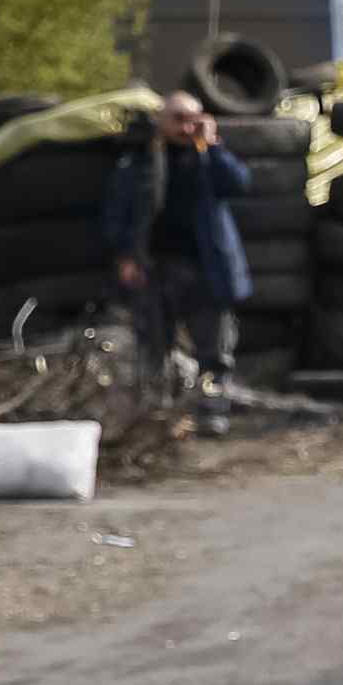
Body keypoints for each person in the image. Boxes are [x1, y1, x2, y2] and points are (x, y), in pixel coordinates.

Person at [100, 89, 252, 434]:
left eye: (192, 118)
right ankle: (157, 415)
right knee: (153, 347)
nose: (185, 126)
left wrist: (210, 145)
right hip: (154, 268)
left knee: (214, 350)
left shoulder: (207, 157)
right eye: (177, 118)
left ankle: (213, 412)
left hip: (205, 268)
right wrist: (125, 256)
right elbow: (117, 214)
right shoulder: (139, 161)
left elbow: (239, 184)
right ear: (161, 121)